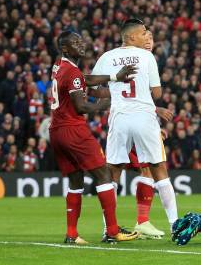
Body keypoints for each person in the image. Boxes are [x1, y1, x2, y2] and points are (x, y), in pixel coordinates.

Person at [49, 30, 138, 244]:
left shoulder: (60, 67)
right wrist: (102, 105)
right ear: (64, 48)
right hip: (74, 130)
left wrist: (115, 76)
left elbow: (84, 79)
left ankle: (72, 234)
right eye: (75, 42)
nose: (81, 44)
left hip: (57, 131)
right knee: (104, 175)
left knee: (76, 181)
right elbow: (80, 105)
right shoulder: (72, 73)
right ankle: (112, 230)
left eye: (81, 40)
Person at [92, 19, 179, 236]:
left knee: (113, 171)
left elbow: (92, 86)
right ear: (131, 37)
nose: (147, 35)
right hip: (144, 117)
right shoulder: (146, 56)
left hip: (119, 118)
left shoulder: (107, 56)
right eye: (143, 33)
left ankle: (108, 228)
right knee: (159, 169)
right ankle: (175, 225)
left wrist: (113, 91)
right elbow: (157, 93)